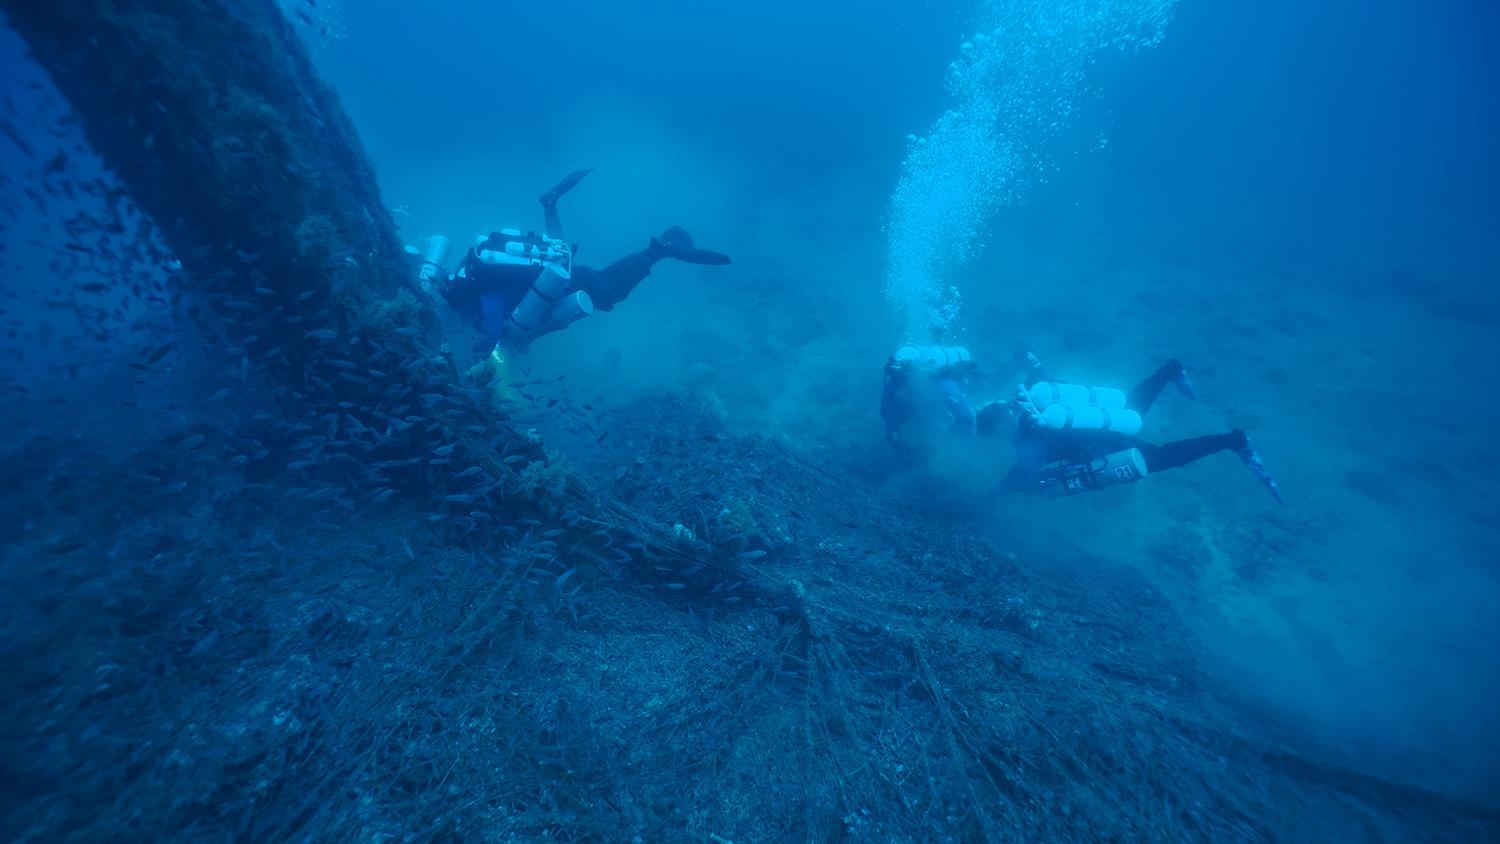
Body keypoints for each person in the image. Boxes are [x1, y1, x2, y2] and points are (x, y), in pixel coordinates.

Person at [436, 169, 730, 355]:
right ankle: (550, 203)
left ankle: (659, 251)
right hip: (557, 271)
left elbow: (493, 323)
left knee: (610, 294)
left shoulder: (486, 295)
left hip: (559, 281)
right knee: (588, 270)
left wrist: (483, 349)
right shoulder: (479, 272)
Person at [976, 351, 1285, 502]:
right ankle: (1169, 371)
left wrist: (990, 495)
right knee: (1132, 408)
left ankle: (1233, 440)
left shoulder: (1033, 444)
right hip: (1105, 415)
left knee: (1164, 457)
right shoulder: (1031, 402)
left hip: (1109, 444)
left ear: (1001, 429)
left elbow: (1020, 478)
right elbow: (1052, 379)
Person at [880, 344, 979, 462]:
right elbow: (888, 406)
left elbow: (963, 410)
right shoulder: (895, 379)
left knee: (943, 421)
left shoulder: (937, 378)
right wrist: (891, 431)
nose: (899, 380)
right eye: (897, 375)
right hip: (924, 405)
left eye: (902, 376)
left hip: (941, 404)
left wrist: (970, 432)